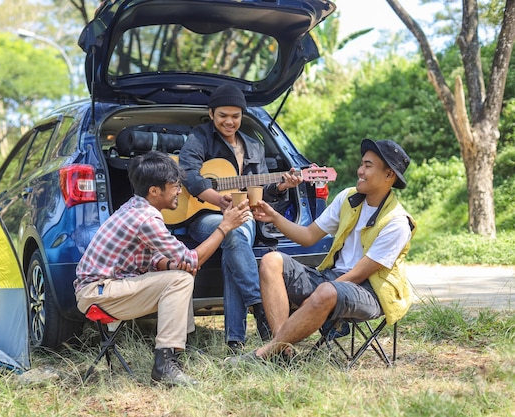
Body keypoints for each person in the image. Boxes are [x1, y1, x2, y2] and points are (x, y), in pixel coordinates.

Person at [227, 139, 416, 364]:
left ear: (388, 176)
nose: (360, 171)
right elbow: (308, 237)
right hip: (333, 279)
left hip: (370, 291)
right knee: (271, 261)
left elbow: (358, 275)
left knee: (326, 291)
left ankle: (263, 354)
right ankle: (282, 353)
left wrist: (320, 294)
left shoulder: (397, 222)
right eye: (362, 164)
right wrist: (274, 217)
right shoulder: (348, 197)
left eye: (368, 165)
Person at [74, 151, 250, 386]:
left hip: (106, 288)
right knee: (180, 279)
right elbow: (193, 259)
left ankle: (176, 354)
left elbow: (154, 257)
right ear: (155, 191)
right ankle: (165, 365)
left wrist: (172, 264)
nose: (179, 191)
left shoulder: (136, 207)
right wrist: (224, 226)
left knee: (180, 273)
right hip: (99, 293)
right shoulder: (146, 217)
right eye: (175, 186)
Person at [178, 84, 302, 353]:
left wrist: (281, 187)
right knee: (232, 233)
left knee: (234, 239)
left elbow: (264, 191)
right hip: (203, 215)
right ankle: (260, 307)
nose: (229, 121)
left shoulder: (255, 146)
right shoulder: (200, 137)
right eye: (223, 115)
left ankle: (235, 342)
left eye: (235, 116)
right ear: (211, 114)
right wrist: (216, 198)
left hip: (244, 215)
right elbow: (186, 173)